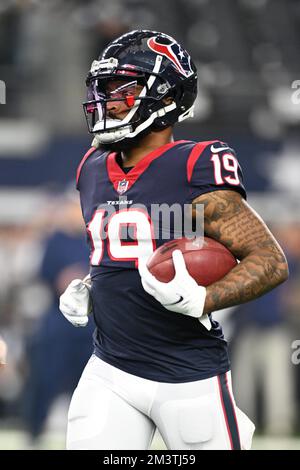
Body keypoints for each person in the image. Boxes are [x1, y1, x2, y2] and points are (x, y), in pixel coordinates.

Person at [59, 30, 288, 450]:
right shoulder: (92, 165)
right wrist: (94, 285)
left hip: (188, 373)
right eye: (103, 89)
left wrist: (203, 300)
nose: (106, 101)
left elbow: (270, 262)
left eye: (121, 90)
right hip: (110, 367)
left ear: (165, 96)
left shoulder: (195, 163)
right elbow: (128, 248)